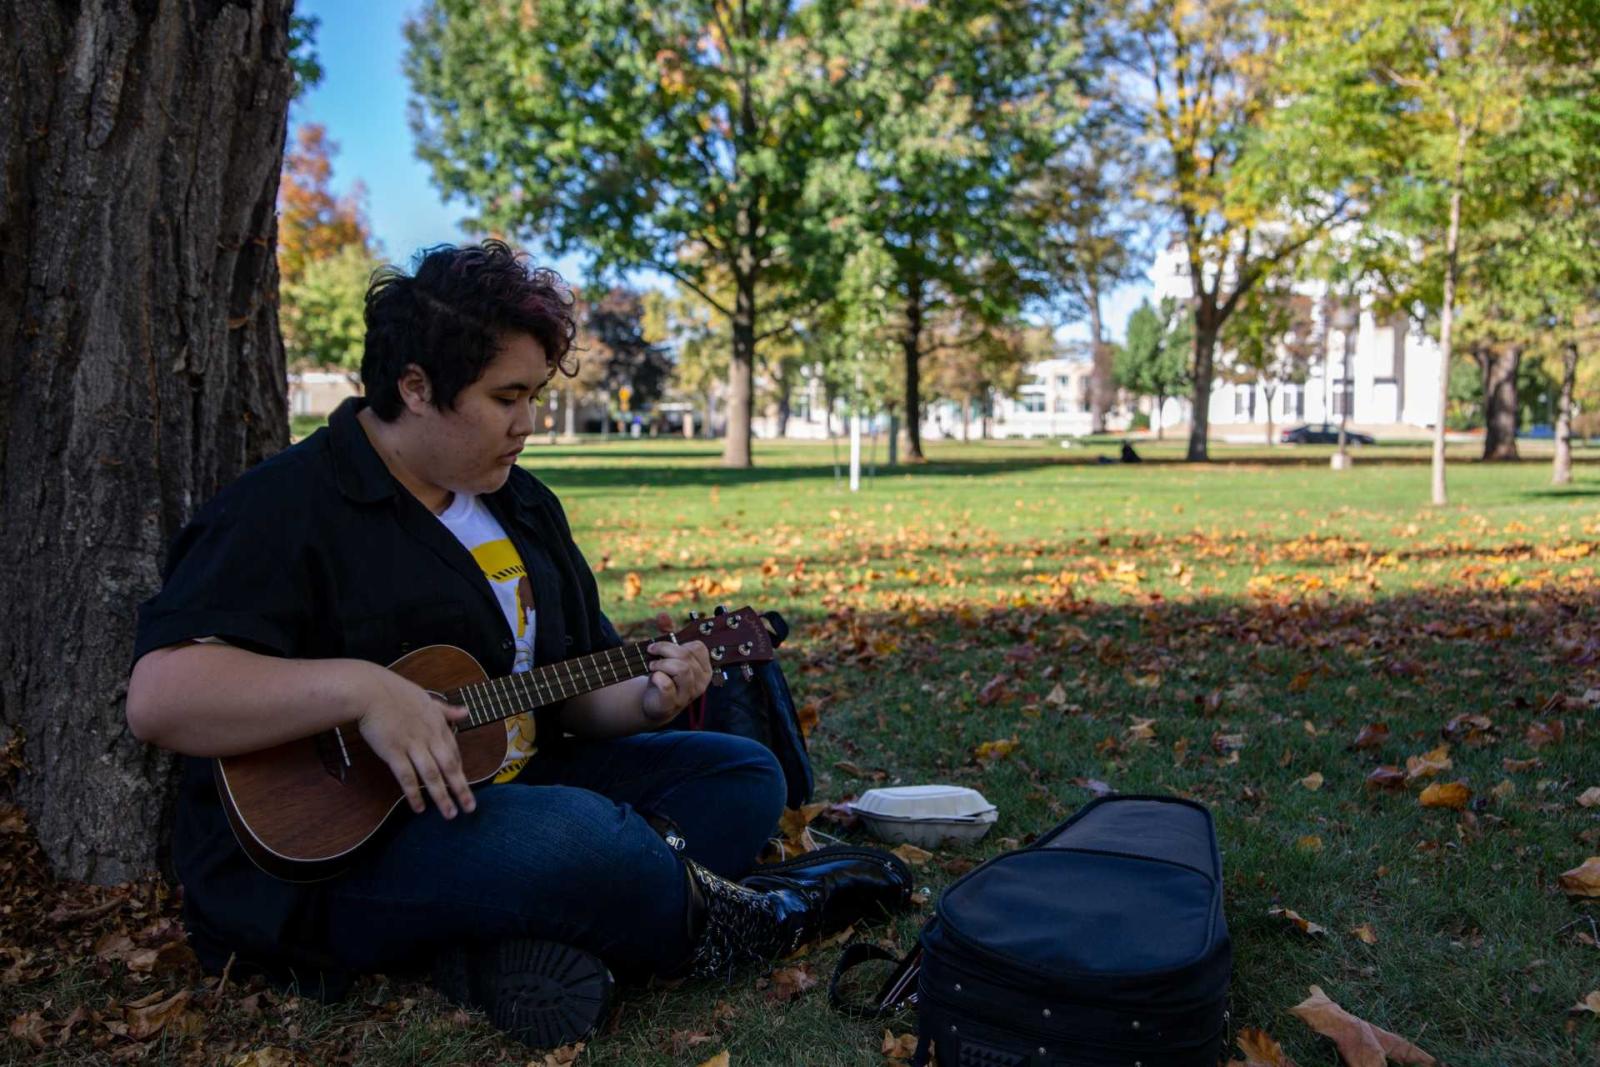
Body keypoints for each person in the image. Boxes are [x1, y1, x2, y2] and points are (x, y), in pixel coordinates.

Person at [124, 241, 910, 1049]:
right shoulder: (288, 507)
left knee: (743, 773)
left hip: (520, 785)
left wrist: (650, 697)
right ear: (416, 386)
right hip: (347, 855)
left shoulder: (520, 504)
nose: (528, 424)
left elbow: (567, 687)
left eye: (533, 395)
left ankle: (510, 941)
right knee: (576, 835)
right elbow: (161, 696)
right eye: (507, 397)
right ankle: (742, 914)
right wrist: (362, 691)